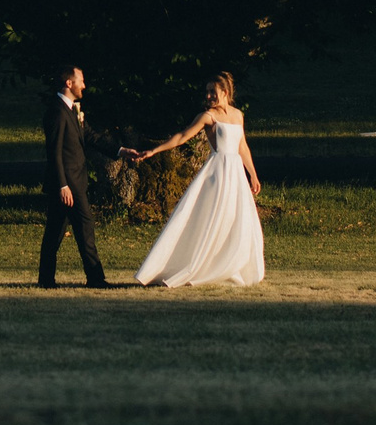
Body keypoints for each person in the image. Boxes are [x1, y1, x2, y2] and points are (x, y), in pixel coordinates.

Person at [121, 71, 264, 287]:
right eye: (206, 92)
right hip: (218, 172)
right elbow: (182, 137)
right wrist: (154, 150)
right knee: (212, 218)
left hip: (235, 172)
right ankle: (196, 265)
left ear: (224, 92)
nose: (208, 97)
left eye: (212, 92)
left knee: (238, 218)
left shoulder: (237, 115)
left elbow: (242, 146)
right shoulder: (207, 117)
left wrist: (252, 173)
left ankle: (229, 265)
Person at [38, 65, 112, 288]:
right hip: (68, 184)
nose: (84, 85)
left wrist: (120, 151)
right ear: (69, 83)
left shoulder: (71, 110)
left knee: (54, 232)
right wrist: (62, 186)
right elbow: (55, 151)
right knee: (85, 226)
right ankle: (96, 279)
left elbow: (90, 137)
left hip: (74, 182)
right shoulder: (57, 112)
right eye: (81, 80)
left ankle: (46, 280)